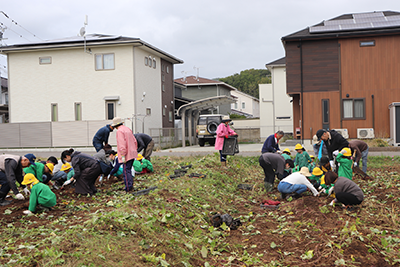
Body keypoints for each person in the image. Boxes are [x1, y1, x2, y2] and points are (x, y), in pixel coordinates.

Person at [113, 117, 138, 192]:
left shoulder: (120, 131)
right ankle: (130, 185)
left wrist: (122, 155)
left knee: (126, 171)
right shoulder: (127, 129)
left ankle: (128, 187)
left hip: (126, 154)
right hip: (132, 153)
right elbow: (134, 141)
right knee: (128, 170)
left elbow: (122, 144)